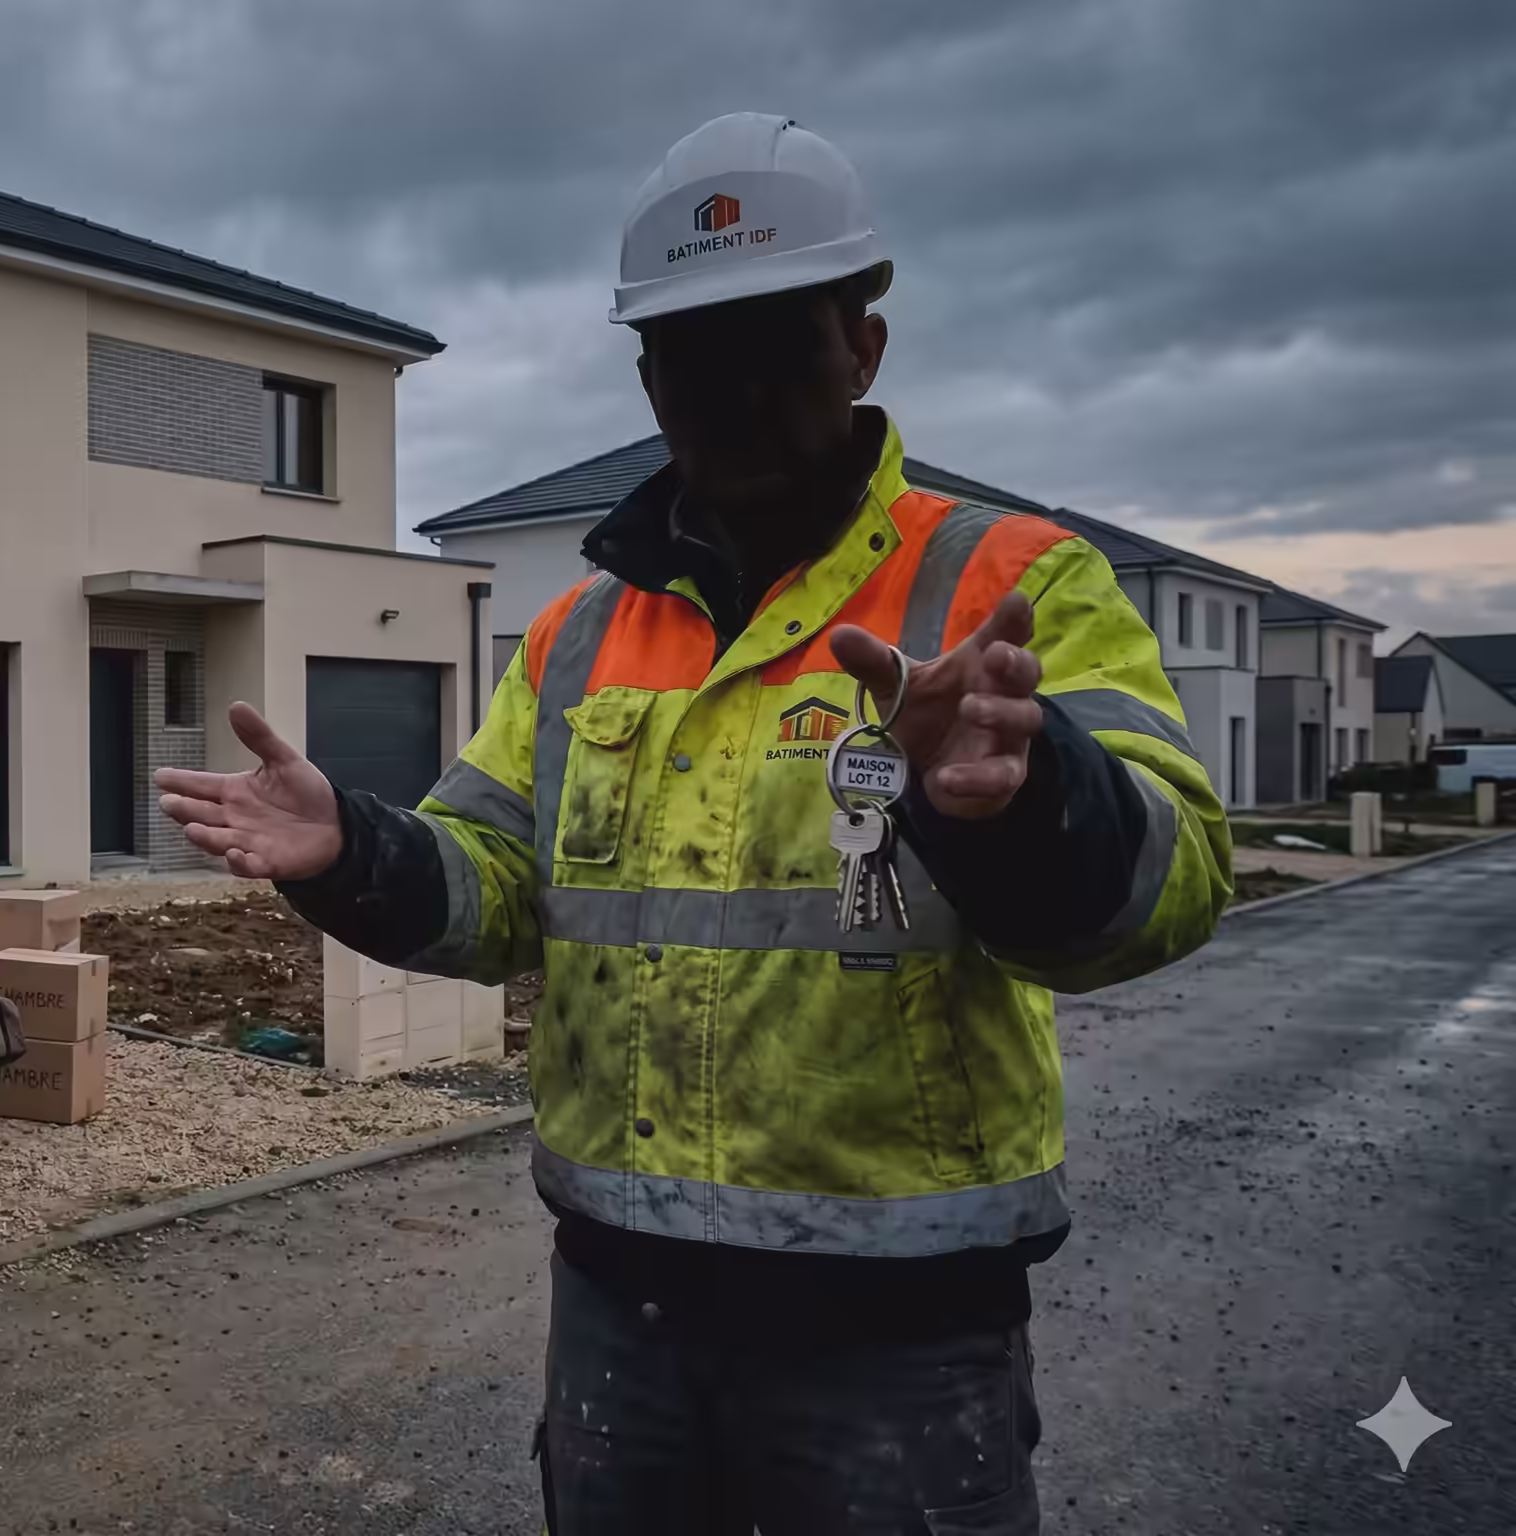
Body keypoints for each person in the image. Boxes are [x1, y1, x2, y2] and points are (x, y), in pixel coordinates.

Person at [157, 113, 1230, 1533]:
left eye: (775, 342)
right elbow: (495, 891)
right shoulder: (580, 635)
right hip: (625, 1316)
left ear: (862, 346)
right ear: (652, 376)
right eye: (691, 356)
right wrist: (353, 848)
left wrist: (1024, 804)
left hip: (899, 1338)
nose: (733, 391)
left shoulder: (1009, 585)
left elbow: (1171, 887)